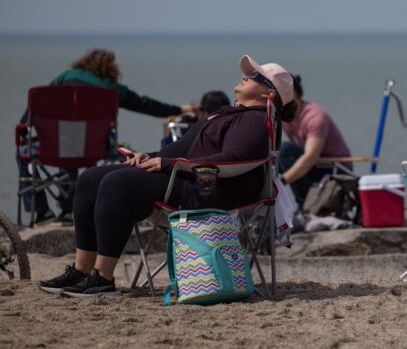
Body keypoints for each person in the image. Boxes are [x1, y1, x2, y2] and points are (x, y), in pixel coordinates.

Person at [37, 55, 297, 298]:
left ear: (268, 93)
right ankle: (82, 270)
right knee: (90, 179)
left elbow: (234, 159)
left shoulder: (255, 121)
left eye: (255, 76)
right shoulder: (224, 113)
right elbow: (181, 148)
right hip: (186, 176)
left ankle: (103, 278)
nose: (246, 76)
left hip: (210, 189)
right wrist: (150, 156)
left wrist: (173, 164)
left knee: (117, 184)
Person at [20, 48, 195, 223]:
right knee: (77, 146)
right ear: (109, 69)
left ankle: (43, 211)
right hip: (96, 148)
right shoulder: (112, 89)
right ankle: (72, 209)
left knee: (30, 150)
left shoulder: (65, 76)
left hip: (58, 147)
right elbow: (146, 105)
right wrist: (179, 109)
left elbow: (35, 106)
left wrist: (23, 128)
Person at [278, 74, 351, 209]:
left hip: (336, 168)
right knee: (273, 158)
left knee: (285, 151)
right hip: (317, 165)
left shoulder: (315, 116)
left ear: (295, 94)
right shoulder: (284, 116)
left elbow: (310, 157)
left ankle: (305, 204)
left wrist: (281, 181)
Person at [161, 90, 232, 147]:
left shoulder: (188, 129)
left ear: (205, 113)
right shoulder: (233, 127)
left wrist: (167, 132)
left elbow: (167, 154)